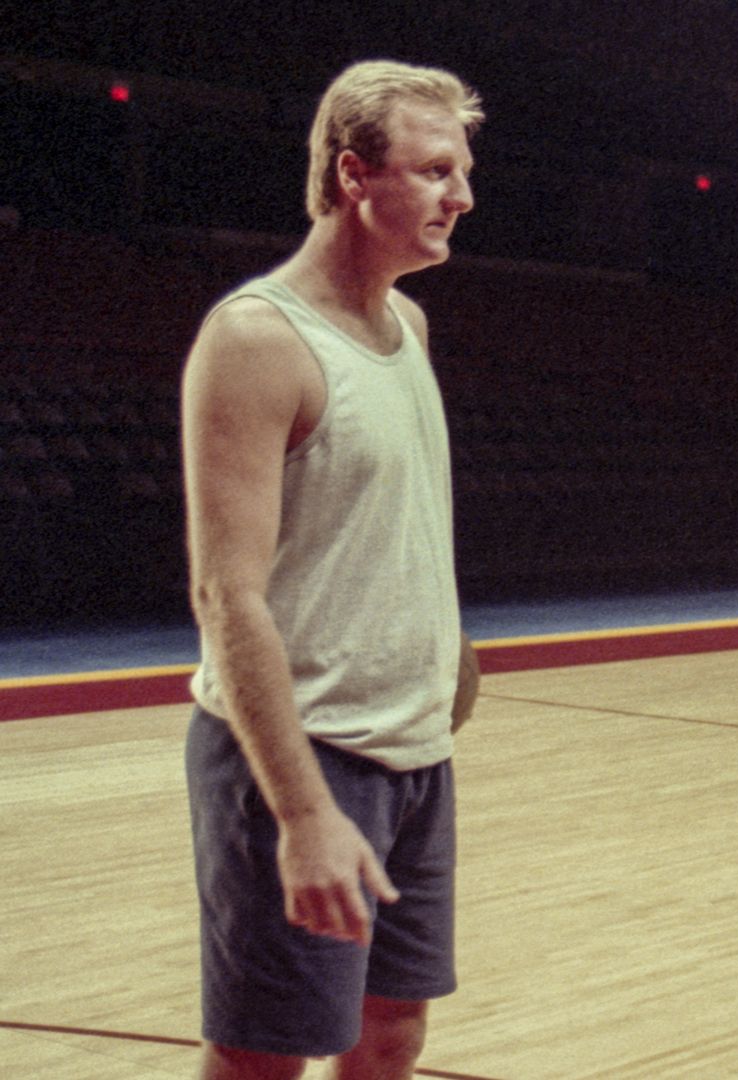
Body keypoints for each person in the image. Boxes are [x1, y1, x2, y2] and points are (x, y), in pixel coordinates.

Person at [180, 59, 482, 1080]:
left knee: (392, 1029)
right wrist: (304, 815)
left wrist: (444, 649)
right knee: (265, 1054)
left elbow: (382, 524)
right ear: (356, 176)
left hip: (415, 755)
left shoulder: (410, 326)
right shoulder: (258, 338)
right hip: (302, 761)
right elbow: (227, 594)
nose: (462, 196)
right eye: (436, 171)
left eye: (462, 171)